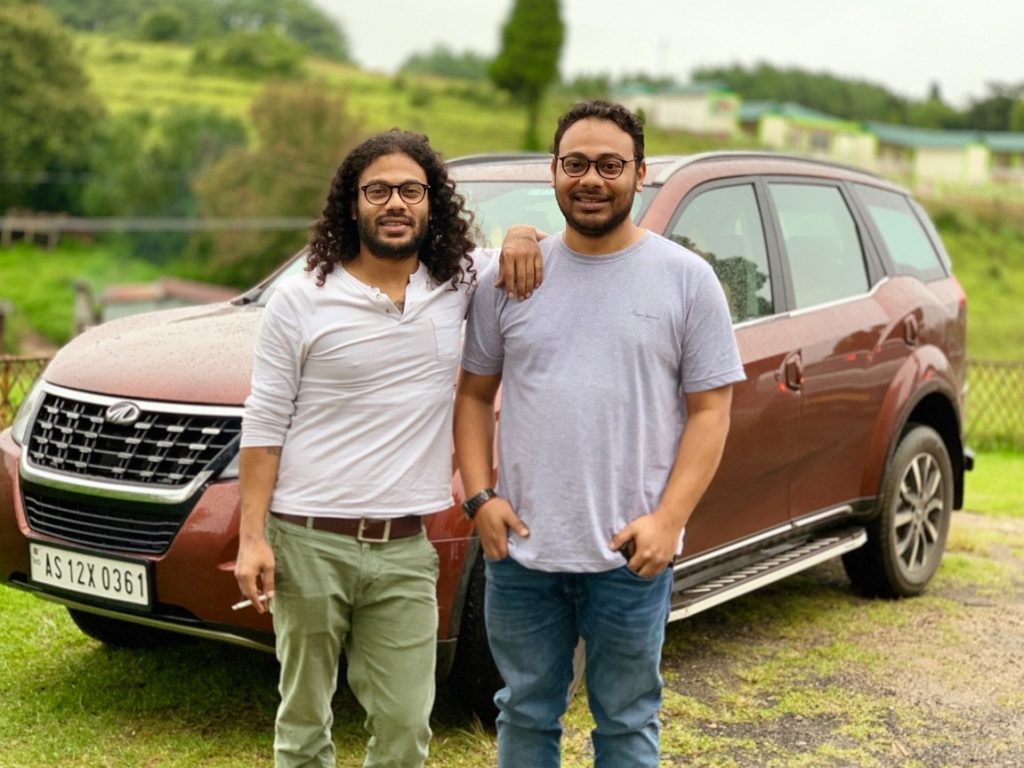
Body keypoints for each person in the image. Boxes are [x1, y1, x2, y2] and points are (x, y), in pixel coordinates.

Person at [234, 128, 541, 768]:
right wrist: (252, 537)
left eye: (410, 190)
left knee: (406, 730)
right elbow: (264, 425)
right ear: (353, 204)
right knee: (304, 724)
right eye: (378, 190)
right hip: (309, 539)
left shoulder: (457, 281)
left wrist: (519, 233)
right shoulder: (302, 298)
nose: (395, 203)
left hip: (405, 548)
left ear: (431, 203)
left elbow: (526, 247)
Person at [453, 101, 746, 767]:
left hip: (630, 555)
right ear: (552, 172)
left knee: (626, 720)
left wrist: (669, 520)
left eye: (610, 165)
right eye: (576, 164)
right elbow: (473, 395)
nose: (592, 179)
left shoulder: (687, 281)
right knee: (525, 714)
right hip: (522, 554)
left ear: (639, 174)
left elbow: (711, 411)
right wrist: (480, 498)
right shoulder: (512, 277)